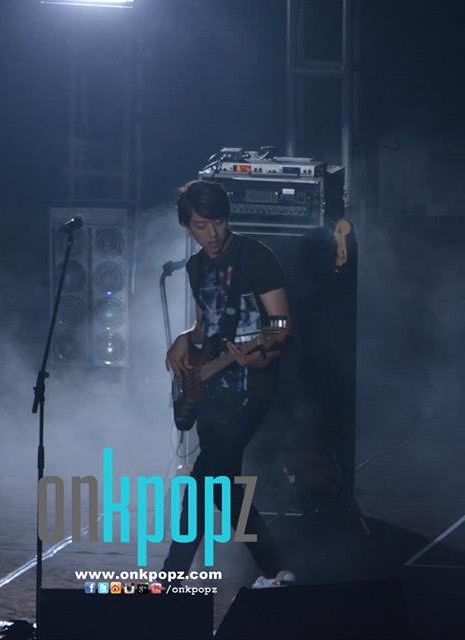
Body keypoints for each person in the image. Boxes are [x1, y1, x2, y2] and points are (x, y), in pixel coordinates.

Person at [162, 179, 294, 588]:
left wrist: (262, 355)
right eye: (201, 226)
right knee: (225, 488)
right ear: (187, 226)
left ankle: (169, 581)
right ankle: (276, 570)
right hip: (212, 389)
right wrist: (185, 337)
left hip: (252, 388)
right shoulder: (195, 267)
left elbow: (281, 324)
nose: (212, 234)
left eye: (218, 222)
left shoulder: (257, 257)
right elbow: (208, 324)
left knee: (203, 480)